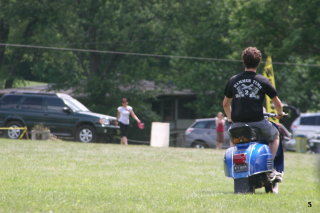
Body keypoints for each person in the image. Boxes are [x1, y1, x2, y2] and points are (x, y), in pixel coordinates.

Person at [222, 47, 285, 181]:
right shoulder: (262, 80)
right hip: (258, 122)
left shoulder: (233, 80)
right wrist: (279, 114)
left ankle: (235, 162)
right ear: (259, 62)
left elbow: (226, 104)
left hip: (238, 123)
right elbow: (278, 103)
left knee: (233, 138)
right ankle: (269, 167)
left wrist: (230, 118)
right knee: (275, 136)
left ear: (243, 61)